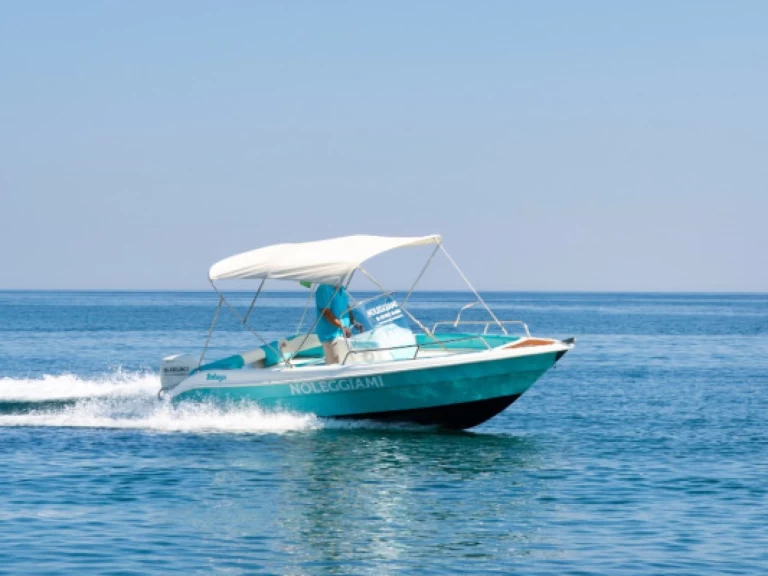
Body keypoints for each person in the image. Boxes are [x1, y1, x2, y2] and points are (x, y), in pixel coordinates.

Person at [315, 283, 361, 364]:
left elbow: (347, 306)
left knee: (349, 363)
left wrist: (354, 321)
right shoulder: (323, 288)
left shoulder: (342, 288)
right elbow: (326, 312)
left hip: (344, 334)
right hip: (331, 336)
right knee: (336, 367)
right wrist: (342, 326)